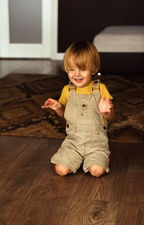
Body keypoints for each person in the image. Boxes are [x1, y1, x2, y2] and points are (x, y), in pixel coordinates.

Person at [42, 40, 114, 177]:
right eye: (72, 69)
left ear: (93, 69)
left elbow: (112, 116)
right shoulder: (68, 90)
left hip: (96, 143)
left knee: (97, 171)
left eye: (82, 69)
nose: (77, 74)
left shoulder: (100, 89)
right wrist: (58, 108)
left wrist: (106, 112)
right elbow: (66, 115)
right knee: (61, 170)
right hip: (73, 142)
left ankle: (91, 159)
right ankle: (77, 159)